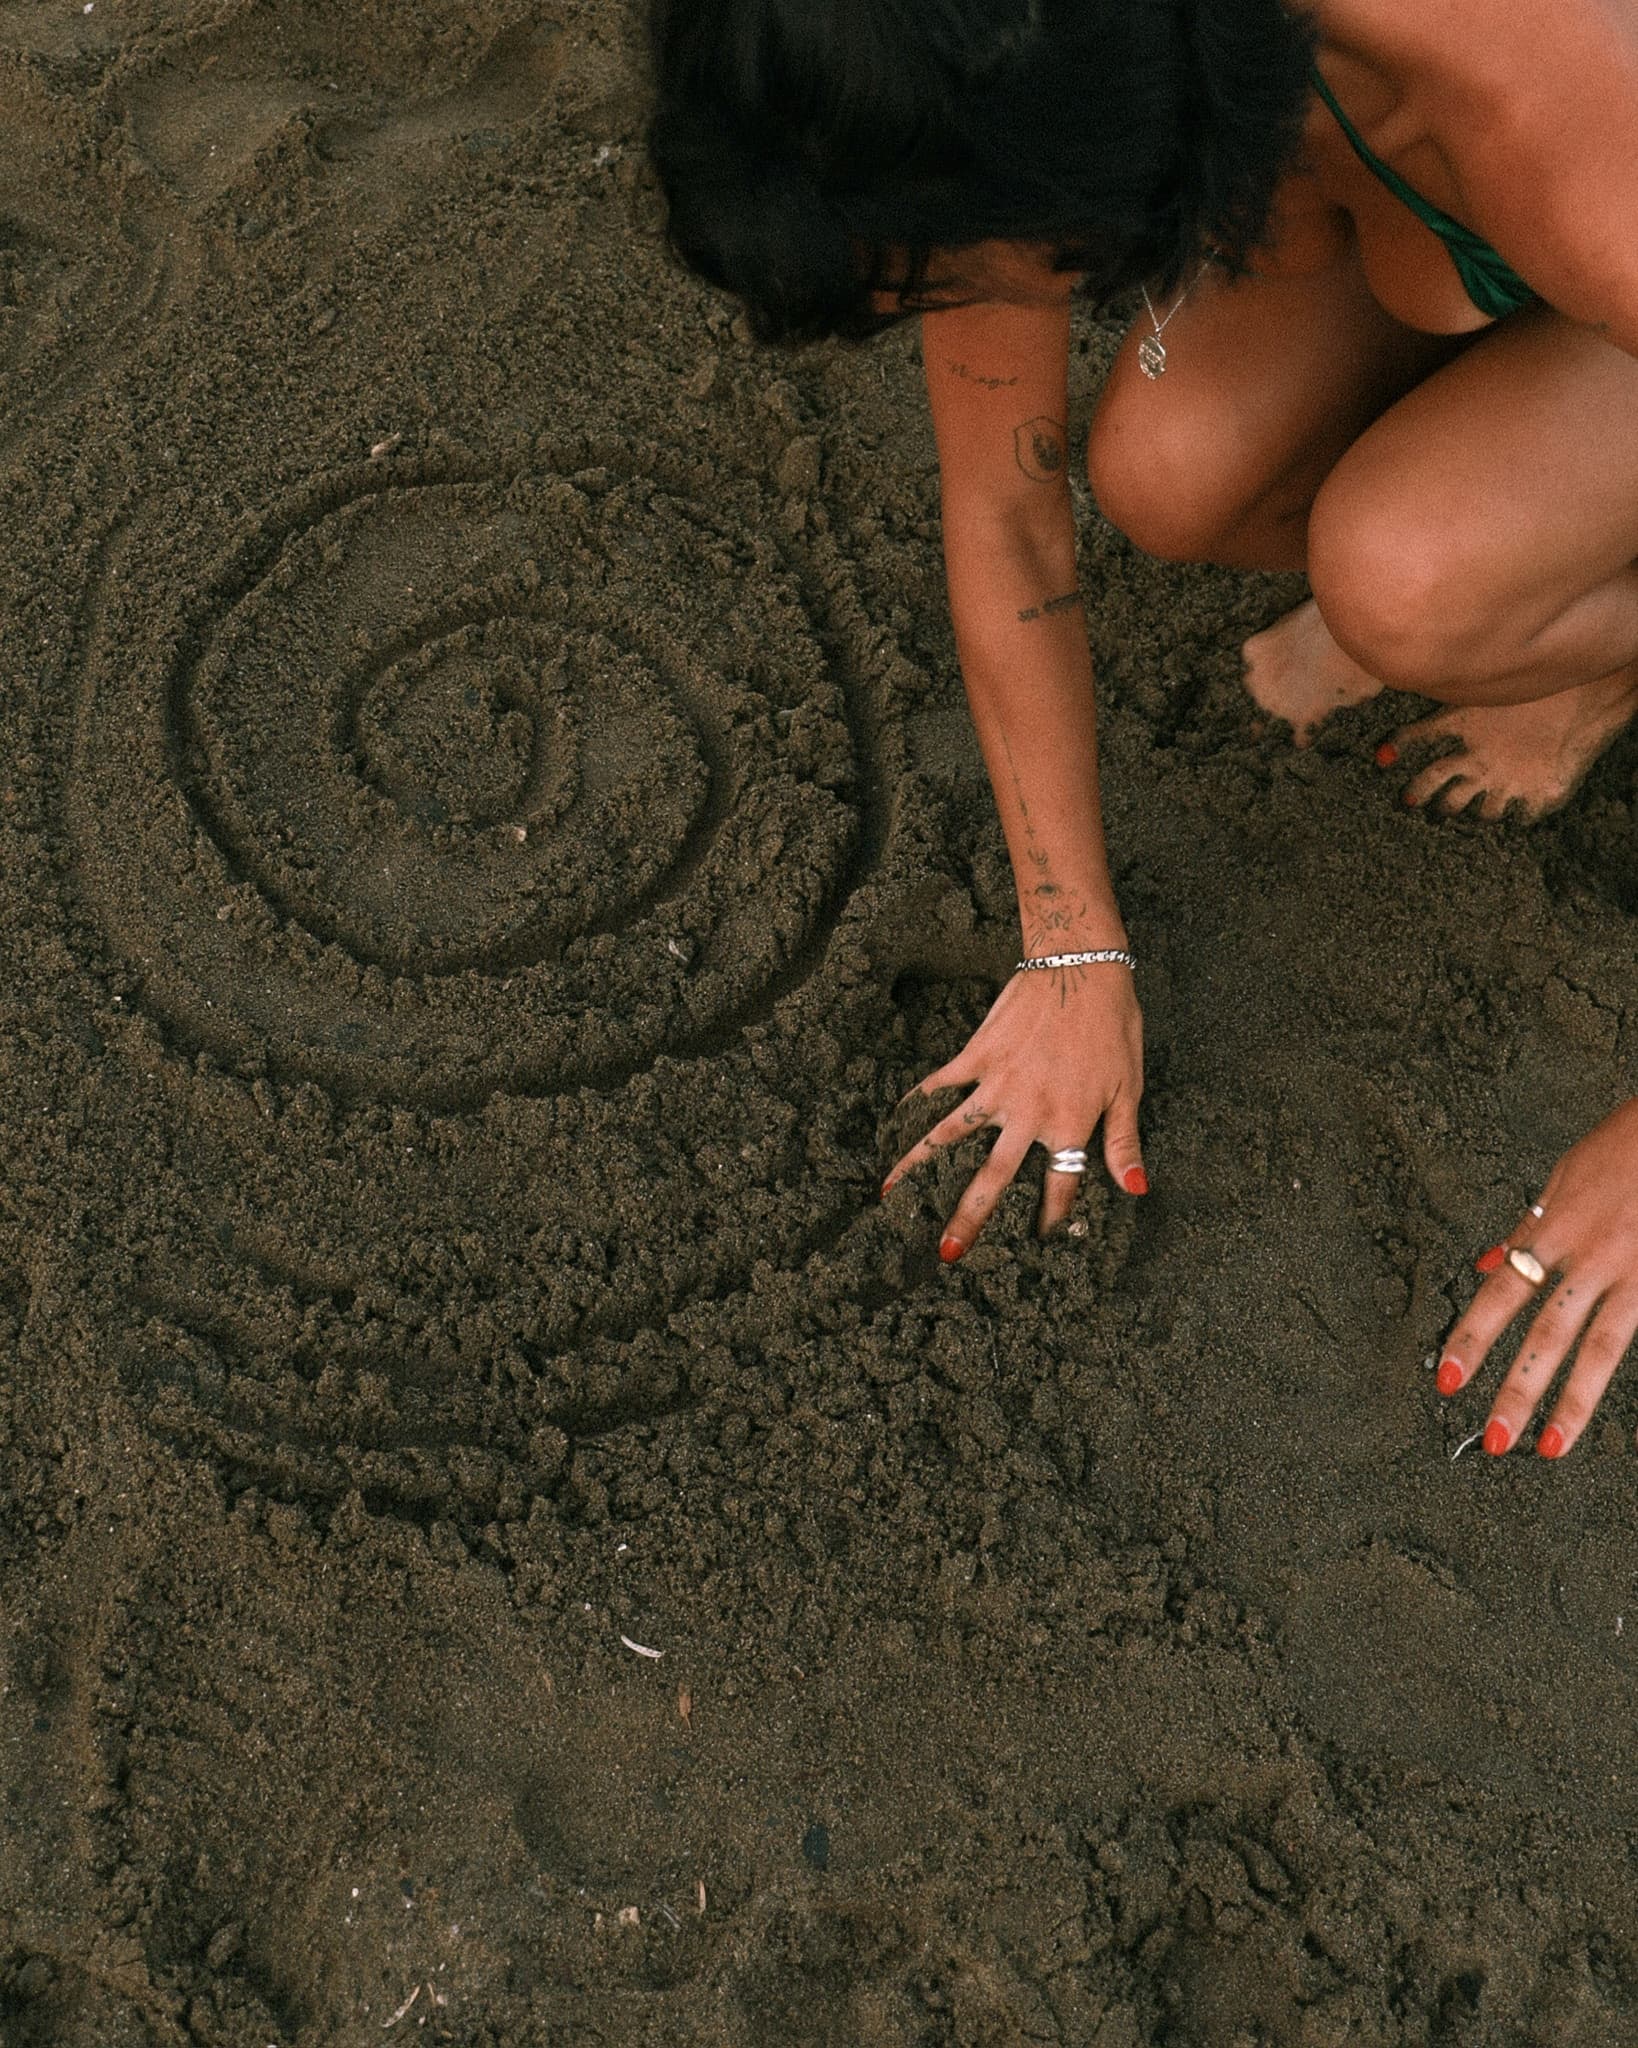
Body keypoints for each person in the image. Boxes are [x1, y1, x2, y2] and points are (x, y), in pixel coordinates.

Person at [646, 0, 1638, 1460]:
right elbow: (1005, 513)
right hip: (1445, 214)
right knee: (1170, 474)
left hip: (1566, 213)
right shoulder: (983, 44)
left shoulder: (1580, 142)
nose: (966, 317)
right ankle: (1504, 510)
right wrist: (1068, 943)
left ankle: (1580, 641)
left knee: (1407, 585)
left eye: (966, 275)